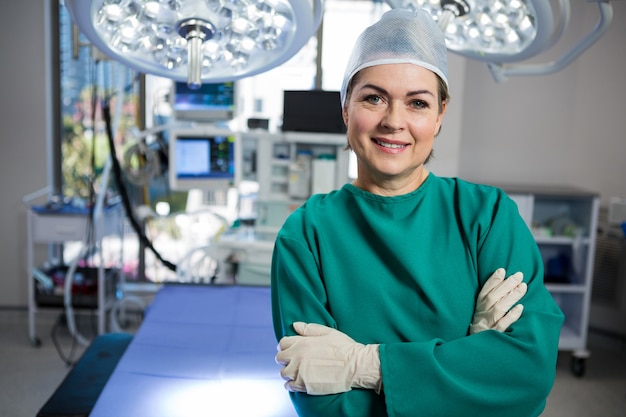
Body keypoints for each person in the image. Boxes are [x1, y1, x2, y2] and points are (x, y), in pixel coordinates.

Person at [271, 8, 564, 417]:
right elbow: (323, 403)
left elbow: (527, 376)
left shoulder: (487, 216)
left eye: (417, 103)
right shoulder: (306, 235)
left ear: (440, 115)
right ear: (345, 109)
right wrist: (467, 360)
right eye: (373, 98)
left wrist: (367, 366)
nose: (394, 121)